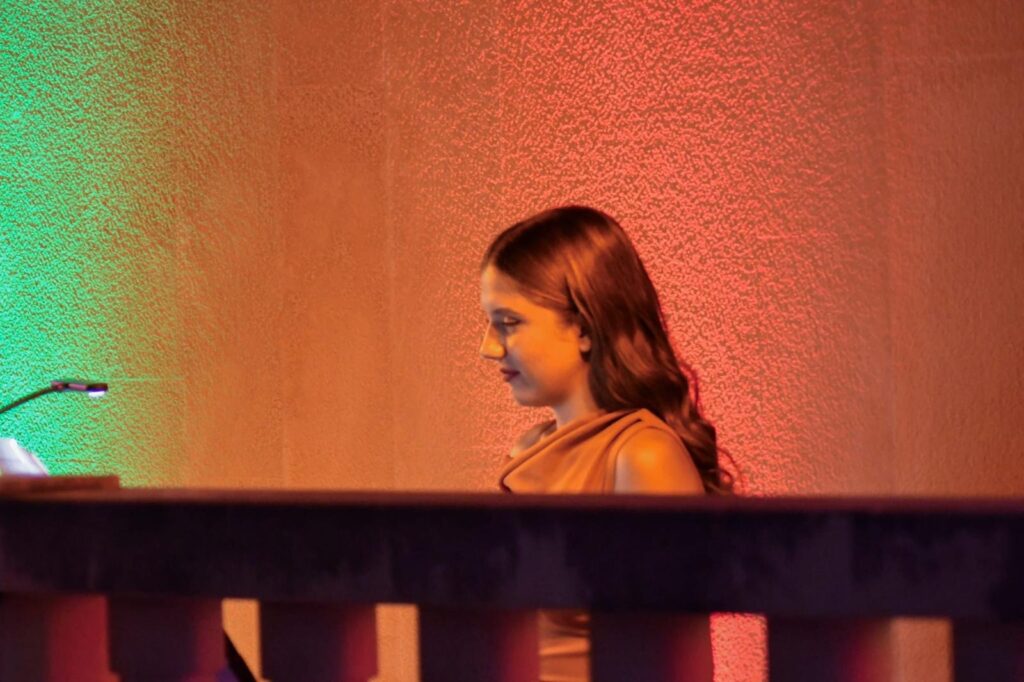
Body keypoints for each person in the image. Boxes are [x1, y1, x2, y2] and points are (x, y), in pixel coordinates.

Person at [479, 205, 735, 682]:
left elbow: (670, 663)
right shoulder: (529, 449)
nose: (489, 347)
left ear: (582, 326)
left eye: (509, 322)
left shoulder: (642, 457)